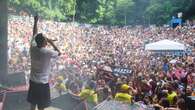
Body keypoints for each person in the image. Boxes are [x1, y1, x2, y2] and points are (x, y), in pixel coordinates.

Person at [27, 15, 61, 110]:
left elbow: (34, 34)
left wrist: (35, 21)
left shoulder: (32, 48)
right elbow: (59, 53)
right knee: (41, 106)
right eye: (45, 40)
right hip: (42, 83)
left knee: (33, 105)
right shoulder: (47, 52)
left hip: (33, 82)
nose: (46, 41)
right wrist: (51, 42)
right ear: (43, 42)